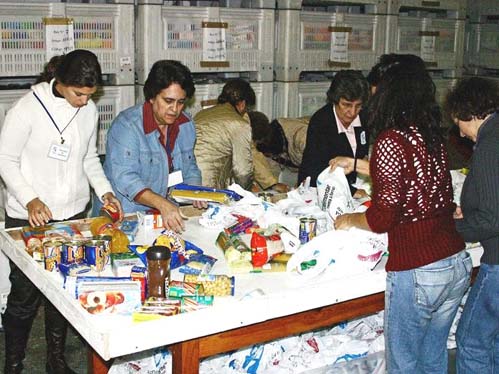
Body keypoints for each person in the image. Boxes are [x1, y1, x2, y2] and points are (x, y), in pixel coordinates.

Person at [332, 61, 471, 373]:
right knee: (433, 358)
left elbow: (382, 218)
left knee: (403, 364)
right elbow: (430, 193)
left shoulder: (391, 140)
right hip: (455, 262)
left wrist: (350, 220)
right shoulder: (431, 136)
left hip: (419, 270)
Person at [0, 49, 123, 374]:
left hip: (71, 216)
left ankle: (56, 360)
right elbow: (5, 159)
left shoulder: (89, 110)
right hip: (30, 217)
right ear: (61, 81)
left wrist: (105, 190)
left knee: (64, 291)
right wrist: (29, 198)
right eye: (78, 94)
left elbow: (88, 158)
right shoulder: (27, 108)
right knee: (24, 296)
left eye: (89, 95)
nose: (84, 101)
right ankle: (13, 364)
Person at [102, 60, 203, 234]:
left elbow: (190, 166)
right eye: (168, 101)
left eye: (180, 102)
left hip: (168, 213)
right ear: (152, 96)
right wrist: (162, 204)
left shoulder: (186, 125)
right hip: (128, 215)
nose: (174, 109)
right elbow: (126, 179)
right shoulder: (127, 126)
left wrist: (195, 192)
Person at [444, 77, 499, 374]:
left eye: (458, 123)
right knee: (494, 340)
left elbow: (492, 219)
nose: (461, 134)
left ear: (469, 113)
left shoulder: (491, 144)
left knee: (472, 341)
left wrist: (451, 228)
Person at [298, 70, 369, 197]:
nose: (352, 112)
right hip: (321, 189)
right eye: (346, 105)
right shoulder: (321, 122)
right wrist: (351, 191)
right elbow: (316, 169)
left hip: (352, 187)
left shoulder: (364, 118)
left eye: (358, 106)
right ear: (335, 100)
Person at [194, 78, 255, 190]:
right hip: (208, 186)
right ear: (242, 104)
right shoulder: (239, 124)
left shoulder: (201, 114)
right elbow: (243, 172)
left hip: (187, 182)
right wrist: (245, 196)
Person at [248, 111, 309, 190]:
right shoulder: (266, 146)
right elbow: (268, 172)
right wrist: (273, 186)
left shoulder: (301, 135)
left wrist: (299, 186)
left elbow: (315, 163)